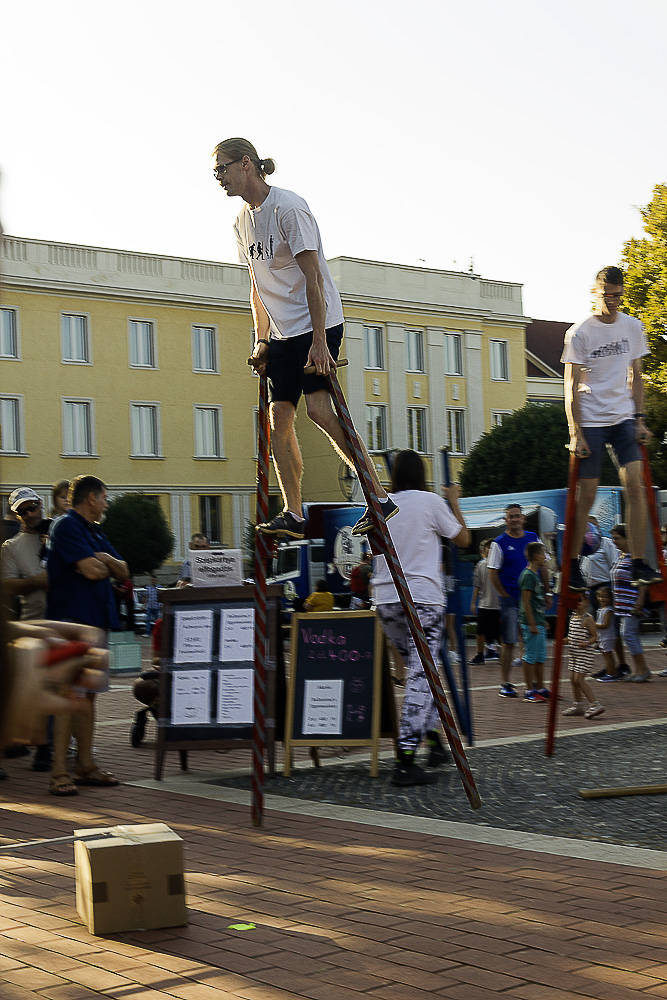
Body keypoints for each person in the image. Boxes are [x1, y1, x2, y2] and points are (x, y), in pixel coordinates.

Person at [213, 137, 397, 541]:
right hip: (281, 332)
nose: (218, 178)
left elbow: (314, 277)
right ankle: (293, 513)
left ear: (245, 164)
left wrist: (319, 341)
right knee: (278, 416)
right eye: (215, 172)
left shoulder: (289, 207)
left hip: (318, 323)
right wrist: (261, 339)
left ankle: (378, 496)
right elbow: (257, 286)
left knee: (318, 411)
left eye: (221, 168)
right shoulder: (241, 221)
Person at [370, 450, 470, 786]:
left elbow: (373, 551)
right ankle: (406, 757)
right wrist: (454, 501)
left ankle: (434, 742)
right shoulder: (429, 501)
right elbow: (463, 539)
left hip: (386, 599)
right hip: (422, 597)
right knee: (422, 675)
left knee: (419, 672)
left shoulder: (380, 505)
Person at [562, 265, 660, 591]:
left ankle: (639, 561)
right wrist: (575, 433)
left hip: (623, 418)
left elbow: (636, 376)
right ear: (596, 293)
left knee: (636, 485)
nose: (613, 301)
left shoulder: (632, 327)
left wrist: (640, 418)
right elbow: (570, 387)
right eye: (607, 295)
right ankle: (573, 564)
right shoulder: (580, 333)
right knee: (587, 494)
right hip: (591, 419)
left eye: (618, 295)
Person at [46, 475, 129, 795]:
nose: (106, 504)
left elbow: (123, 570)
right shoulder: (66, 526)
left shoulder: (95, 531)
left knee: (88, 696)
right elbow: (93, 571)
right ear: (92, 497)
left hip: (95, 622)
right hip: (71, 623)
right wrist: (104, 563)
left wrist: (103, 559)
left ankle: (85, 765)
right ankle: (58, 772)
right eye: (104, 497)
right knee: (69, 695)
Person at [1, 487, 52, 771]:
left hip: (64, 619)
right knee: (36, 686)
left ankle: (54, 744)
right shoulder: (11, 547)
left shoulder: (58, 532)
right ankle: (42, 747)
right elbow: (7, 585)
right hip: (33, 622)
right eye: (22, 511)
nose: (29, 514)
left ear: (40, 504)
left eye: (32, 507)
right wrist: (36, 582)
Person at [487, 504, 546, 698]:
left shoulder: (533, 538)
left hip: (532, 599)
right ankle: (505, 683)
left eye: (517, 516)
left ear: (523, 518)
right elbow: (492, 571)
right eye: (511, 516)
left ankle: (536, 684)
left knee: (531, 639)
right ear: (506, 520)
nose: (514, 519)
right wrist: (504, 594)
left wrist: (547, 592)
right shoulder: (499, 543)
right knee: (509, 641)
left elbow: (544, 564)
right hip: (511, 599)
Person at [605, 523, 651, 683]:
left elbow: (643, 580)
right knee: (629, 634)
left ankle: (643, 668)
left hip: (632, 602)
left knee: (628, 634)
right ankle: (639, 668)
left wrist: (640, 600)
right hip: (622, 604)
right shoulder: (621, 555)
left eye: (617, 538)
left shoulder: (637, 557)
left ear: (627, 538)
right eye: (613, 538)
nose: (614, 541)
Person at [562, 591, 605, 718]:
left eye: (580, 600)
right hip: (574, 654)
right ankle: (577, 705)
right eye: (574, 601)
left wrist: (586, 642)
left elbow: (595, 636)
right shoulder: (572, 617)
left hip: (584, 654)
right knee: (572, 680)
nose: (577, 604)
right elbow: (570, 637)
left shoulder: (587, 619)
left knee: (578, 680)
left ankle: (595, 704)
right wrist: (562, 641)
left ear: (587, 602)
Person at [517, 542, 551, 702]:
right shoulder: (528, 576)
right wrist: (531, 623)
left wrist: (542, 621)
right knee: (530, 656)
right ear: (537, 556)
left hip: (538, 621)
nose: (545, 557)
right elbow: (526, 601)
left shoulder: (534, 575)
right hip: (531, 623)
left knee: (540, 656)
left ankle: (541, 687)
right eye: (543, 554)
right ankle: (529, 689)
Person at [470, 540, 500, 665]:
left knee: (500, 631)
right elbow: (477, 585)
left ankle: (502, 654)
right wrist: (473, 602)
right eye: (488, 548)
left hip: (499, 604)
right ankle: (480, 654)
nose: (489, 550)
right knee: (480, 631)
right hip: (485, 604)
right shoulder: (481, 565)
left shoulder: (501, 564)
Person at [594, 587, 618, 680]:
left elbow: (605, 625)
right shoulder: (601, 609)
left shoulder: (608, 610)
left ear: (610, 598)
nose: (602, 599)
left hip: (607, 636)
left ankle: (611, 674)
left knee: (608, 656)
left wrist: (593, 624)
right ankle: (609, 672)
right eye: (600, 596)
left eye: (605, 597)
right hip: (603, 636)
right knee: (605, 655)